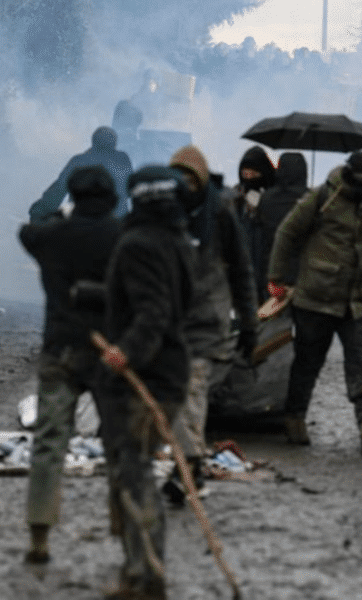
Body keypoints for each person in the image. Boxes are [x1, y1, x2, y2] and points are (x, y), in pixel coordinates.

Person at [266, 151, 362, 454]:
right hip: (315, 300)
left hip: (357, 303)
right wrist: (277, 277)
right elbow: (287, 233)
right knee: (307, 365)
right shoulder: (323, 196)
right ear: (350, 175)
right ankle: (294, 418)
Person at [97, 166, 195, 600]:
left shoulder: (138, 243)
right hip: (173, 371)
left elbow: (153, 312)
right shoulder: (179, 240)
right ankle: (139, 569)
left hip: (145, 379)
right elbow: (166, 302)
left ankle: (145, 574)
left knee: (133, 476)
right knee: (135, 472)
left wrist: (126, 351)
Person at [18, 166, 122, 564]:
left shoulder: (52, 237)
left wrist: (56, 216)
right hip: (109, 352)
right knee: (119, 443)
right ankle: (121, 522)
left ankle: (39, 535)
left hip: (59, 347)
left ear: (74, 195)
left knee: (48, 443)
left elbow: (28, 231)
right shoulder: (120, 235)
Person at [162, 145, 257, 504]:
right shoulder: (162, 210)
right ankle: (190, 465)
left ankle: (188, 469)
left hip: (206, 321)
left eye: (191, 178)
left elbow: (242, 269)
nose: (185, 185)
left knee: (190, 390)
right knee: (178, 397)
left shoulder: (219, 212)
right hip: (169, 322)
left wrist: (248, 323)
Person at [29, 126, 134, 221]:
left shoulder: (79, 161)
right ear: (114, 143)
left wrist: (40, 212)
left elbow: (58, 190)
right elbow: (130, 190)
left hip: (83, 221)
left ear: (93, 142)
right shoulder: (122, 159)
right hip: (115, 223)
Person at [250, 151, 308, 303]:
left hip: (273, 270)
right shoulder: (309, 199)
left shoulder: (267, 198)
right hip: (304, 272)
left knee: (276, 321)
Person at [226, 145, 277, 299]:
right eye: (245, 172)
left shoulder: (273, 197)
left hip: (268, 270)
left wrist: (262, 208)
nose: (248, 177)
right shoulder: (236, 197)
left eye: (254, 173)